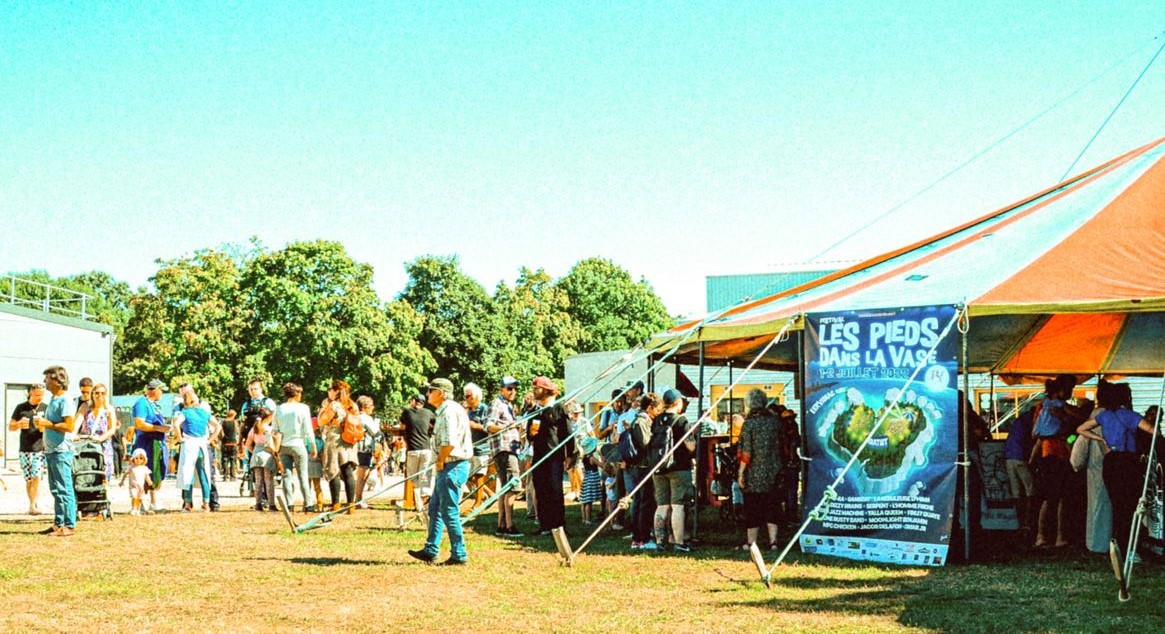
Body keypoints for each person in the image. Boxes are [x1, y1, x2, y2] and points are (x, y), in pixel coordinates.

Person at [1078, 382, 1157, 557]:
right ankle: (1129, 547)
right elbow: (1151, 430)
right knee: (1129, 506)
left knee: (1117, 505)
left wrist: (1100, 439)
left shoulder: (1105, 416)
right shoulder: (1129, 415)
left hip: (1110, 461)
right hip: (1127, 461)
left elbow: (1081, 429)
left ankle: (1119, 545)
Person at [408, 378, 473, 565]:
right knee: (435, 508)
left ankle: (459, 554)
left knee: (449, 511)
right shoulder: (451, 409)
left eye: (431, 390)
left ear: (441, 393)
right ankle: (431, 549)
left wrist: (441, 461)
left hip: (452, 465)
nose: (427, 394)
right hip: (450, 465)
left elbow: (449, 441)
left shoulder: (448, 412)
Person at [1030, 376, 1089, 548]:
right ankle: (1047, 536)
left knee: (1059, 496)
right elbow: (1075, 418)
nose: (1070, 394)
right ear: (1061, 390)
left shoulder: (1046, 406)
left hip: (1058, 453)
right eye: (1069, 390)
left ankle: (1054, 536)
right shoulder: (1052, 406)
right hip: (1052, 453)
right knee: (1052, 496)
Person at [528, 376, 576, 536]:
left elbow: (568, 433)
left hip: (554, 457)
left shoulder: (558, 408)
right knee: (540, 490)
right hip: (538, 456)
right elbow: (530, 435)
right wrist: (531, 434)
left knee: (555, 491)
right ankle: (545, 525)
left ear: (546, 390)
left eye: (537, 388)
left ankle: (559, 525)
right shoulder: (534, 411)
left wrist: (570, 455)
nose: (534, 391)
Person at [649, 389, 696, 552]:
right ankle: (679, 542)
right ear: (677, 402)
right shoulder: (681, 421)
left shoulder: (656, 420)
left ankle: (660, 541)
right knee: (678, 506)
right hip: (679, 467)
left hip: (659, 467)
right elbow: (691, 445)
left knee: (661, 506)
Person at [35, 365, 77, 536]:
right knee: (55, 488)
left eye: (47, 378)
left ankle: (69, 525)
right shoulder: (54, 399)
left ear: (57, 380)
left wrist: (48, 424)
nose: (44, 381)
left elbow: (69, 425)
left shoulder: (65, 400)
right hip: (52, 451)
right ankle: (58, 523)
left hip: (61, 451)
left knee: (64, 488)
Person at [738, 388, 782, 551]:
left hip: (754, 471)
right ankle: (774, 542)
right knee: (773, 505)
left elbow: (746, 451)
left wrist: (741, 472)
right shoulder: (775, 421)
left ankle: (752, 543)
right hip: (774, 469)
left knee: (753, 506)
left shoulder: (749, 423)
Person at [1073, 381, 1114, 553]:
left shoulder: (1095, 416)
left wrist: (1077, 463)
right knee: (1106, 505)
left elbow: (1081, 444)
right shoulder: (1107, 416)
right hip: (1106, 464)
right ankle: (1104, 544)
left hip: (1095, 467)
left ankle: (1096, 543)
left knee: (1097, 506)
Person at [486, 376, 522, 536]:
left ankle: (501, 525)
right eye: (509, 388)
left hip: (509, 449)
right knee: (513, 486)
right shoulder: (498, 404)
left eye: (515, 388)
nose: (513, 391)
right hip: (504, 450)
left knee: (505, 487)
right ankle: (509, 526)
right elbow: (488, 425)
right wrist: (508, 426)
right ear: (501, 389)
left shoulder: (509, 406)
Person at [273, 382, 318, 512]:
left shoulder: (279, 408)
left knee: (286, 476)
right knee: (303, 475)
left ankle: (289, 504)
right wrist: (313, 445)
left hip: (283, 445)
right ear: (297, 393)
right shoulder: (303, 408)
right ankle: (308, 504)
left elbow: (275, 429)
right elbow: (308, 428)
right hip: (298, 444)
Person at [173, 388, 217, 512]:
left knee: (188, 475)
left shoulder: (185, 412)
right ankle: (206, 503)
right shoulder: (204, 412)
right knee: (204, 475)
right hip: (202, 445)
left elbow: (176, 424)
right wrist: (210, 439)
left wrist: (180, 437)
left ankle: (187, 504)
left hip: (189, 445)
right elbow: (217, 426)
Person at [319, 379, 359, 512]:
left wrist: (323, 408)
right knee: (348, 472)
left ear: (335, 391)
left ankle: (335, 504)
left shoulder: (334, 405)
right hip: (350, 440)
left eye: (330, 389)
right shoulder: (352, 405)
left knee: (334, 470)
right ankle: (351, 505)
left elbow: (321, 421)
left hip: (335, 439)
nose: (328, 392)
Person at [624, 392, 658, 549]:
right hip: (642, 467)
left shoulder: (640, 420)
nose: (658, 413)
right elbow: (645, 443)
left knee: (640, 502)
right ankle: (642, 538)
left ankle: (638, 538)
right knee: (644, 503)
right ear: (650, 408)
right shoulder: (641, 422)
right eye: (657, 409)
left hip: (639, 467)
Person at [132, 379, 170, 514]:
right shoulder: (141, 404)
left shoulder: (154, 405)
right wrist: (158, 428)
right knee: (140, 475)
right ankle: (139, 504)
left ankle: (154, 503)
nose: (162, 394)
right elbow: (139, 424)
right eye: (161, 391)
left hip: (156, 444)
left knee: (156, 472)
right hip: (145, 443)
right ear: (154, 390)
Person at [9, 382, 47, 515]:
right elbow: (11, 426)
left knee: (37, 475)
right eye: (37, 395)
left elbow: (49, 427)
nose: (39, 398)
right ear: (31, 393)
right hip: (24, 447)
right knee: (29, 478)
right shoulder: (21, 408)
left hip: (39, 447)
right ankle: (32, 502)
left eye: (42, 395)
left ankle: (33, 505)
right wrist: (19, 424)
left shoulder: (46, 408)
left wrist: (44, 427)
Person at [238, 379, 277, 496]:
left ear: (261, 389)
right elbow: (242, 423)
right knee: (254, 467)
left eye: (255, 389)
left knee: (267, 467)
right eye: (250, 389)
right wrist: (239, 442)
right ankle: (258, 494)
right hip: (250, 439)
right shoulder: (246, 405)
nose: (253, 391)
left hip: (265, 439)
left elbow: (275, 419)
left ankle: (266, 495)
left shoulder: (268, 402)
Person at [76, 382, 119, 480]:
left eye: (102, 393)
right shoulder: (85, 407)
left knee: (104, 472)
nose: (100, 395)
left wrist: (100, 439)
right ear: (93, 394)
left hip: (103, 444)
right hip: (86, 442)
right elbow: (77, 423)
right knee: (85, 470)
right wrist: (74, 435)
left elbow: (112, 429)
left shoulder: (109, 409)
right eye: (97, 393)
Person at [397, 394, 435, 507]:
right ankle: (425, 505)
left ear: (413, 401)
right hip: (426, 449)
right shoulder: (428, 412)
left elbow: (401, 424)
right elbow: (435, 423)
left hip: (413, 450)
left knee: (414, 479)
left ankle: (418, 505)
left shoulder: (407, 412)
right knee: (425, 478)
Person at [1004, 407, 1037, 536]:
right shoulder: (1031, 419)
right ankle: (1028, 523)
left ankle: (1020, 523)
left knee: (1016, 493)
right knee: (1031, 491)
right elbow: (1033, 437)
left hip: (1009, 456)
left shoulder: (1019, 420)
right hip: (1021, 456)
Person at [463, 383, 494, 510]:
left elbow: (490, 427)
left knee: (480, 476)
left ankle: (478, 503)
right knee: (468, 476)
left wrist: (475, 425)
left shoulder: (485, 409)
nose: (466, 399)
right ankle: (490, 494)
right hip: (470, 448)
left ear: (476, 396)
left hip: (482, 448)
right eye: (465, 396)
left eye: (468, 396)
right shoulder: (468, 412)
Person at [244, 406, 277, 511]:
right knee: (269, 480)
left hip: (256, 454)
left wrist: (254, 452)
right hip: (267, 454)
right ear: (269, 417)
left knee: (258, 481)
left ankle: (258, 504)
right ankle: (271, 504)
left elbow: (248, 444)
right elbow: (272, 444)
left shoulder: (254, 429)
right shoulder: (269, 429)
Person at [354, 395, 382, 509]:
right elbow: (377, 433)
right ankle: (358, 500)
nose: (373, 408)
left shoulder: (354, 416)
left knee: (360, 475)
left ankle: (357, 499)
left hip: (355, 447)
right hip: (365, 448)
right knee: (362, 476)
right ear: (364, 407)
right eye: (371, 405)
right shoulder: (365, 418)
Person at [125, 448, 151, 516]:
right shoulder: (131, 467)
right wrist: (121, 481)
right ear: (133, 459)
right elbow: (125, 474)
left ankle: (138, 510)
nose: (138, 460)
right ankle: (133, 508)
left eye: (141, 458)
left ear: (144, 460)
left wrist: (149, 481)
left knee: (139, 498)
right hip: (133, 486)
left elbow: (147, 476)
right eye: (136, 458)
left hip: (140, 487)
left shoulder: (144, 468)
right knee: (134, 497)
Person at [219, 409, 239, 481]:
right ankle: (232, 476)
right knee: (233, 459)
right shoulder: (235, 422)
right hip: (233, 442)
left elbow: (221, 433)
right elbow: (236, 431)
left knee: (225, 459)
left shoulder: (223, 422)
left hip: (225, 442)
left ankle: (225, 476)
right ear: (233, 415)